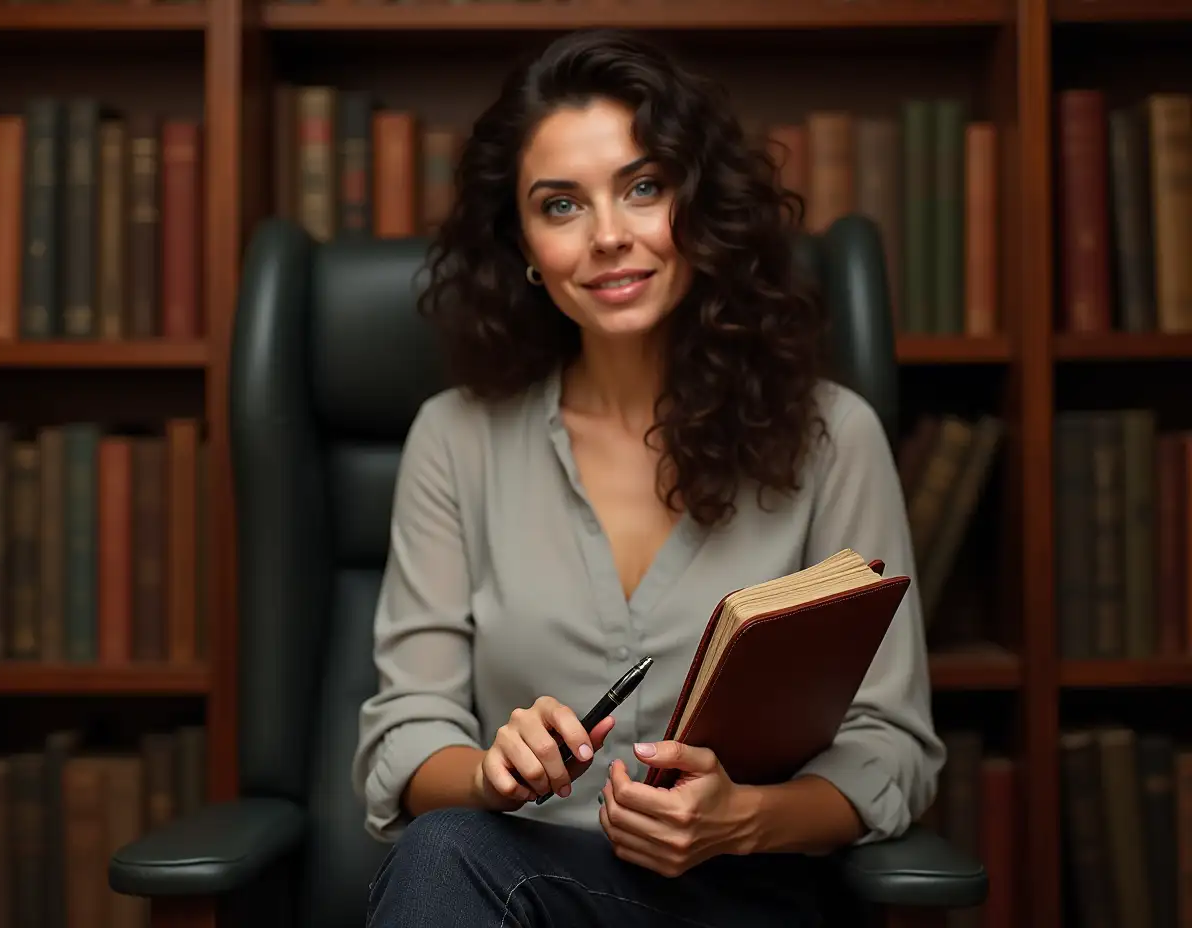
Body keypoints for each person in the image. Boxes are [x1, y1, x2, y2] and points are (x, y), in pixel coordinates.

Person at [353, 27, 943, 928]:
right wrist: (489, 772)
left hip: (755, 892)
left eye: (642, 187)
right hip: (521, 887)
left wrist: (741, 821)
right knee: (445, 851)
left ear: (698, 206)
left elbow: (891, 747)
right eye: (560, 206)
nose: (609, 238)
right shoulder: (455, 439)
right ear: (521, 243)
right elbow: (408, 731)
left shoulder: (834, 438)